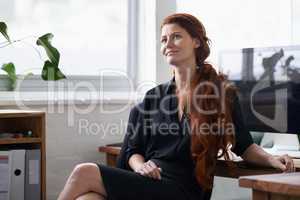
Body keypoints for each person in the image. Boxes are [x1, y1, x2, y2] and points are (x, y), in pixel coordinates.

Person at [58, 13, 295, 200]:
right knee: (87, 198)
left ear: (196, 41)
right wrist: (142, 166)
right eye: (164, 39)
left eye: (176, 36)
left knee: (84, 172)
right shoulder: (153, 97)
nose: (168, 43)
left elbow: (245, 146)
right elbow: (133, 151)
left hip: (185, 189)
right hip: (149, 181)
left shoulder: (221, 93)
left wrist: (273, 160)